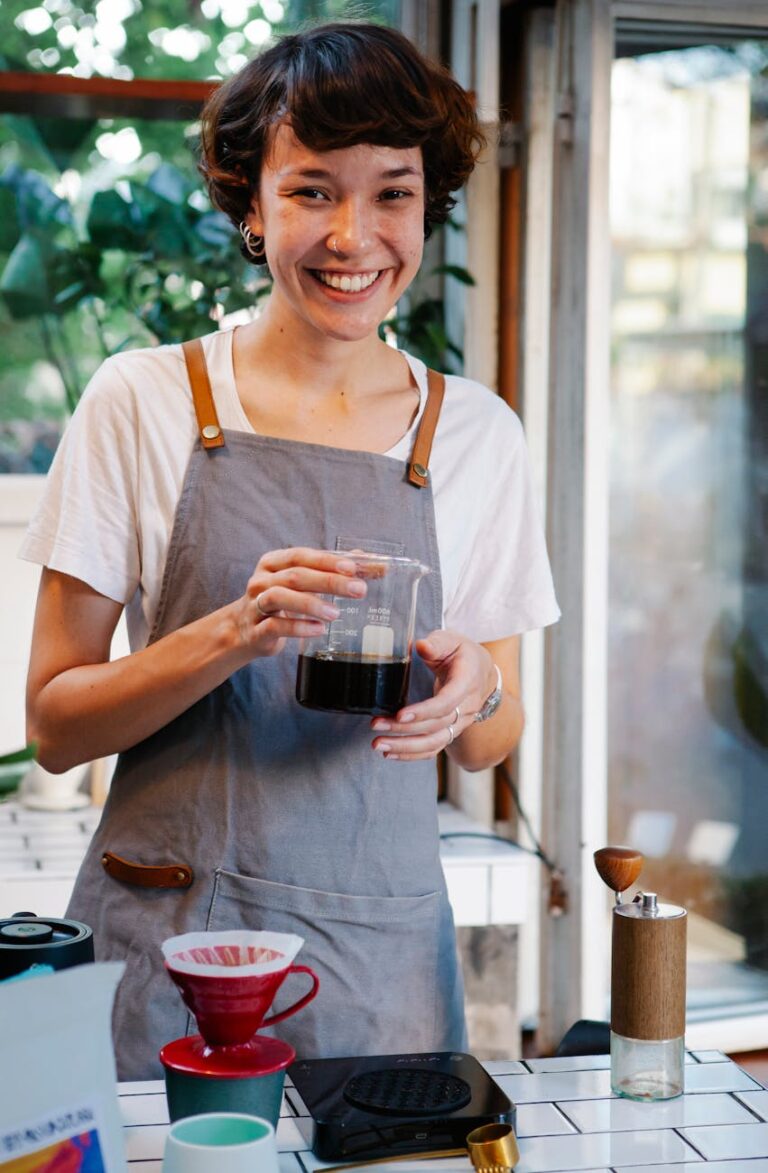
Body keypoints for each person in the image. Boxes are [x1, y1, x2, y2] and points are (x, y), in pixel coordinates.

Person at [21, 22, 559, 1079]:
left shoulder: (479, 434)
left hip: (377, 962)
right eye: (313, 190)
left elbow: (492, 744)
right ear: (251, 204)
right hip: (169, 946)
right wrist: (234, 630)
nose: (355, 236)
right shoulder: (143, 401)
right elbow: (52, 726)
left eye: (392, 192)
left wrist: (482, 687)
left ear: (428, 203)